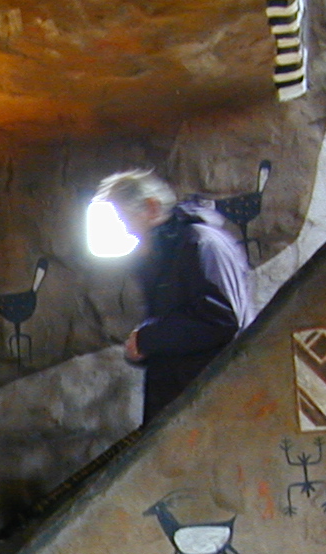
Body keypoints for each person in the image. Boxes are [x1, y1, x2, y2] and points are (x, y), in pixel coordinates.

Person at [95, 168, 255, 423]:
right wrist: (143, 346)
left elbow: (221, 319)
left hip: (213, 405)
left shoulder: (201, 243)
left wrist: (149, 338)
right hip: (182, 405)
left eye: (124, 221)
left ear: (151, 208)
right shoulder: (164, 257)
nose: (125, 233)